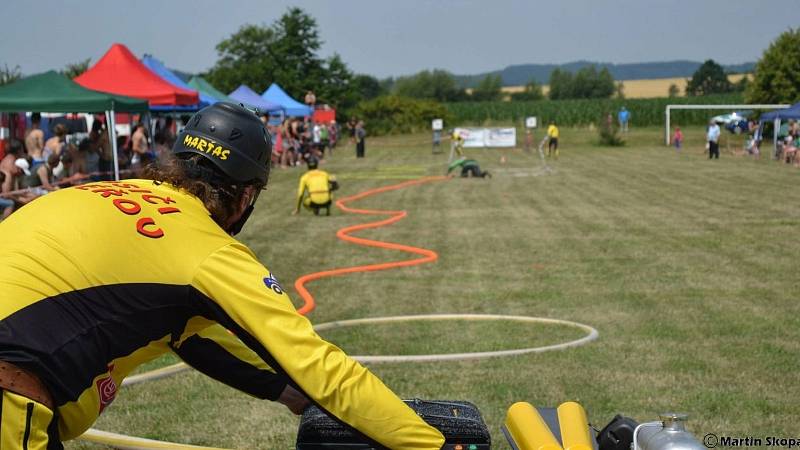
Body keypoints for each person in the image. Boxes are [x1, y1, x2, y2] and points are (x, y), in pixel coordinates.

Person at [0, 102, 445, 449]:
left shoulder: (95, 192)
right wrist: (435, 446)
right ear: (246, 195)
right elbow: (324, 370)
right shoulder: (210, 250)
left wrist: (287, 393)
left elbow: (193, 336)